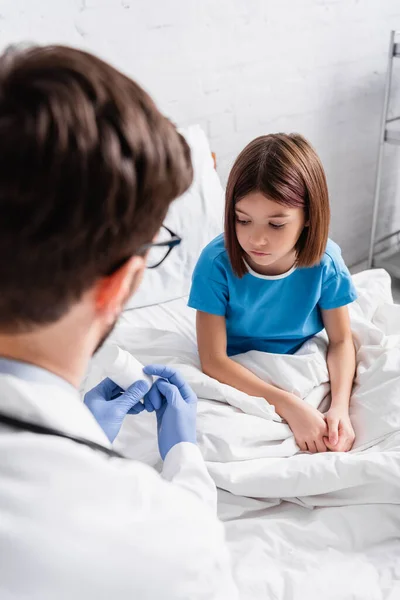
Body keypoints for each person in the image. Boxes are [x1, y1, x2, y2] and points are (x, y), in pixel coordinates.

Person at [0, 44, 238, 599]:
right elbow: (190, 563)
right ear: (122, 283)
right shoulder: (158, 537)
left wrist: (80, 432)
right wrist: (185, 458)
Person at [188, 133, 357, 455]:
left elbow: (341, 340)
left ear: (308, 218)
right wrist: (288, 405)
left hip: (304, 357)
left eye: (276, 225)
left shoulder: (326, 262)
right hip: (238, 367)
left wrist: (340, 408)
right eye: (242, 220)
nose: (257, 240)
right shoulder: (215, 264)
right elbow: (213, 360)